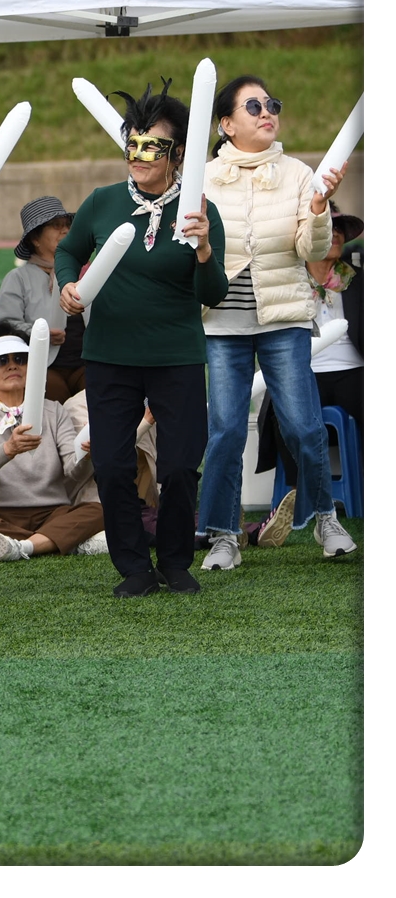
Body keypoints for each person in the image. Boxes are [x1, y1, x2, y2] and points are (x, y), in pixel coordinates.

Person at [57, 79, 227, 598]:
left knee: (179, 466)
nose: (138, 155)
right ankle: (133, 566)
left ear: (177, 154)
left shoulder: (201, 210)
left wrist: (203, 249)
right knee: (111, 464)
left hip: (176, 356)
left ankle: (175, 561)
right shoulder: (103, 202)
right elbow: (67, 250)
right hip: (110, 355)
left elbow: (214, 293)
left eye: (152, 146)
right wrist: (67, 283)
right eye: (131, 143)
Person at [194, 75, 354, 569]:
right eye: (254, 106)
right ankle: (224, 535)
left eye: (271, 104)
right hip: (222, 324)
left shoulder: (299, 174)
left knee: (304, 427)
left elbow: (310, 248)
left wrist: (319, 208)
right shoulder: (201, 178)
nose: (267, 112)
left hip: (283, 319)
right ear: (226, 124)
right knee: (224, 431)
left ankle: (326, 519)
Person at [256, 206, 363, 548]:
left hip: (353, 371)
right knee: (284, 408)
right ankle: (296, 490)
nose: (335, 234)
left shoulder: (360, 279)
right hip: (304, 369)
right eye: (328, 228)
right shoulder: (290, 281)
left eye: (339, 229)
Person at [0, 322, 104, 561]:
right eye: (1, 360)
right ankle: (54, 541)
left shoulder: (54, 410)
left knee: (99, 510)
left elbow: (72, 470)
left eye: (20, 358)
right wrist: (7, 450)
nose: (12, 366)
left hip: (51, 511)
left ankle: (24, 546)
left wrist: (86, 455)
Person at [0, 196, 86, 402]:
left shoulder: (83, 271)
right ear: (35, 239)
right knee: (50, 395)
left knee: (100, 389)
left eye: (67, 225)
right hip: (42, 365)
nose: (65, 230)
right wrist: (38, 333)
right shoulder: (18, 278)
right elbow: (3, 326)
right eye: (56, 226)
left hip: (86, 362)